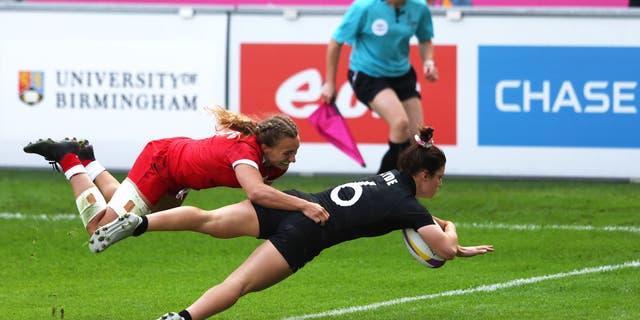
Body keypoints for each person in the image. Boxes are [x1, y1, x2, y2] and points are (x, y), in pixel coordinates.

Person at [90, 126, 493, 320]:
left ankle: (139, 224)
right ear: (424, 176)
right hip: (308, 232)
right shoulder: (410, 208)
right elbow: (442, 250)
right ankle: (182, 319)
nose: (440, 183)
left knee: (209, 219)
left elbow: (397, 209)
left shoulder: (389, 180)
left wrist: (431, 219)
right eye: (439, 177)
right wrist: (452, 230)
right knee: (238, 284)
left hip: (297, 203)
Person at [23, 107, 330, 252]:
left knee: (129, 218)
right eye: (288, 153)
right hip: (162, 164)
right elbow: (257, 194)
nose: (293, 159)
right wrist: (304, 205)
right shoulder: (245, 152)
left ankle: (88, 159)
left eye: (295, 152)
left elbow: (265, 194)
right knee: (99, 230)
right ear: (265, 146)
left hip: (179, 177)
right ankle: (68, 158)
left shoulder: (274, 162)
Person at [321, 0, 439, 174]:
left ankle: (396, 191)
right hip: (367, 74)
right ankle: (383, 188)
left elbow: (425, 39)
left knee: (419, 139)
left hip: (402, 74)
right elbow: (335, 42)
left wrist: (428, 61)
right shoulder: (364, 7)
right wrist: (330, 82)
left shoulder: (419, 7)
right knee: (400, 123)